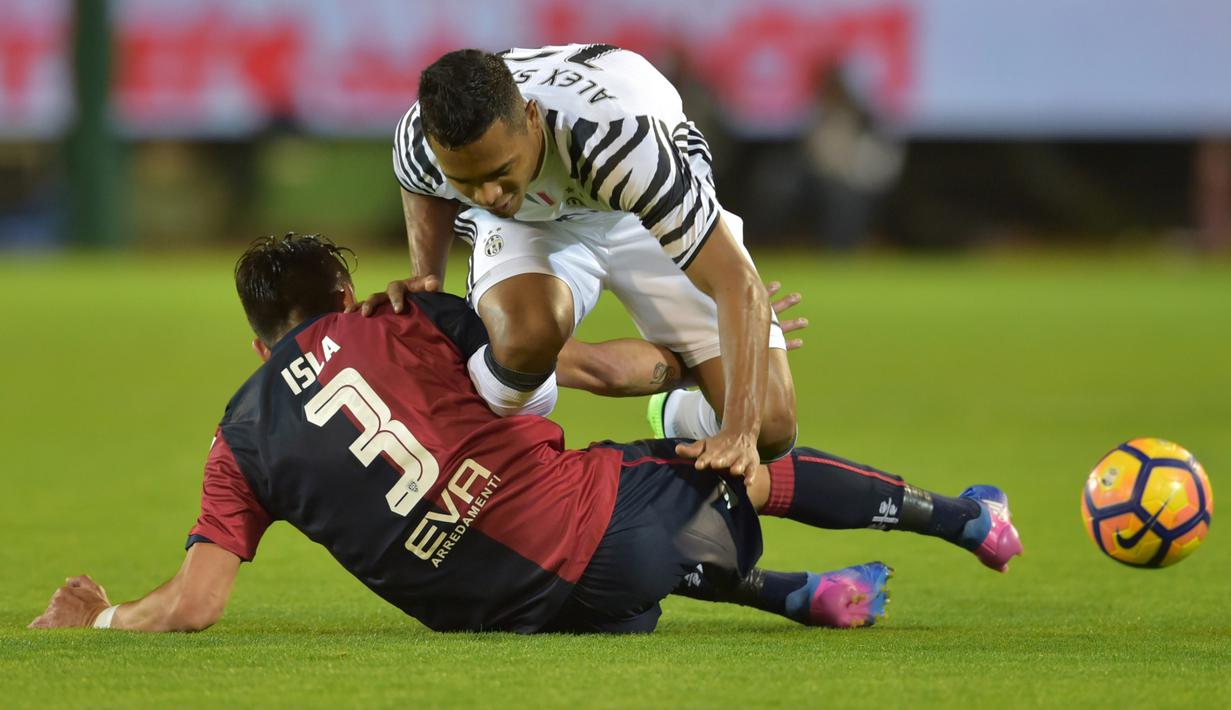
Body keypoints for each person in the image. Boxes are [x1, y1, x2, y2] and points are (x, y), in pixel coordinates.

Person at [28, 234, 1022, 634]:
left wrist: (106, 617)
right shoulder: (404, 317)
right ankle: (962, 519)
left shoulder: (235, 441)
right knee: (720, 448)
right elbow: (591, 367)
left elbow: (195, 604)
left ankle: (793, 593)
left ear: (256, 340)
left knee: (591, 538)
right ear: (341, 293)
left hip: (513, 621)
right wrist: (708, 353)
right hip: (606, 540)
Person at [376, 44, 798, 480]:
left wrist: (739, 431)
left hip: (634, 211)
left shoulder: (622, 143)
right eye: (466, 182)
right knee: (520, 351)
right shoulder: (421, 138)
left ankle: (676, 413)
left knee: (769, 426)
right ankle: (519, 391)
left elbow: (736, 284)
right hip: (533, 222)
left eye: (501, 170)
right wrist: (426, 281)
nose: (487, 196)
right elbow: (419, 184)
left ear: (532, 118)